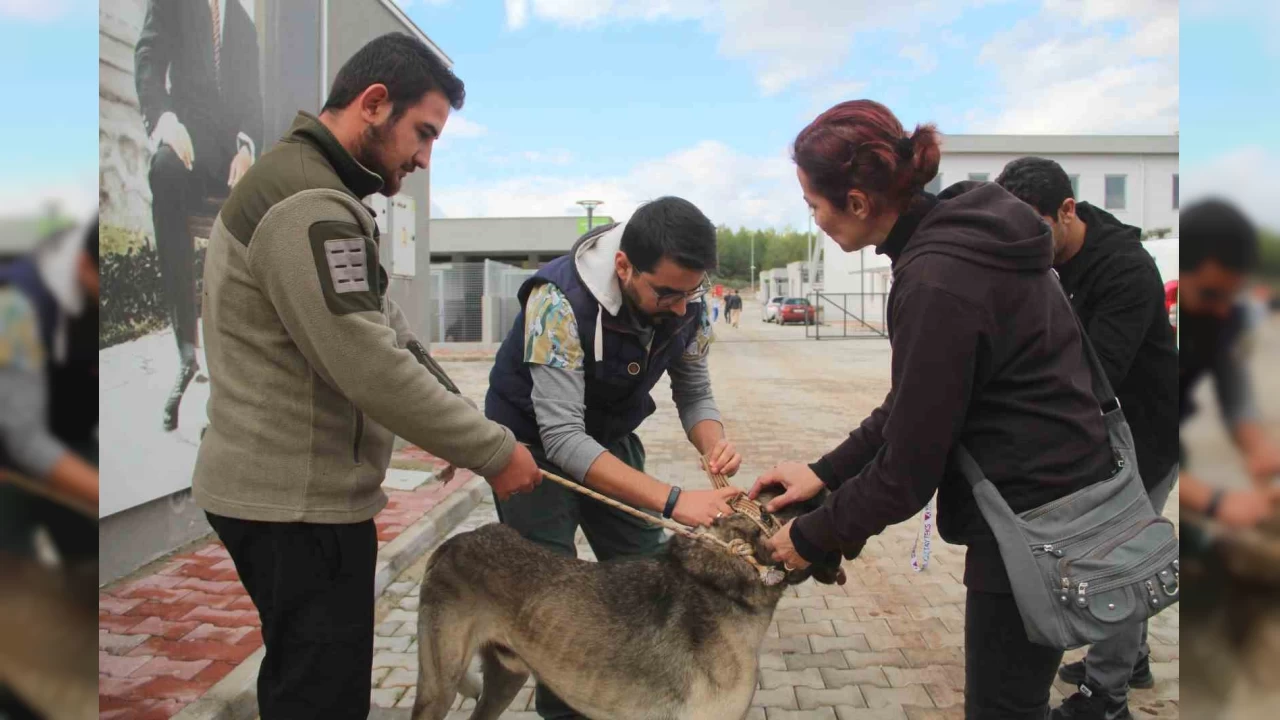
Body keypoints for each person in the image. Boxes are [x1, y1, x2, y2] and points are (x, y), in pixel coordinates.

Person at [190, 33, 541, 719]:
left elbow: (392, 336)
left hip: (292, 498)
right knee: (319, 696)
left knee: (304, 675)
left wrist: (463, 430)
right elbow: (366, 362)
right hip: (296, 505)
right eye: (423, 133)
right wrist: (493, 454)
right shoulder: (310, 205)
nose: (424, 158)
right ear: (374, 103)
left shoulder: (320, 192)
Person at [749, 100, 1118, 720]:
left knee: (1003, 709)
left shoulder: (937, 278)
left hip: (1032, 522)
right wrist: (825, 471)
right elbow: (916, 402)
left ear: (860, 203)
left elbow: (907, 474)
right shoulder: (964, 235)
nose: (814, 220)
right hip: (1057, 497)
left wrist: (809, 538)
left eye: (814, 206)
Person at [485, 195, 744, 720]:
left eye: (690, 292)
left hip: (608, 437)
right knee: (556, 600)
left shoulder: (688, 302)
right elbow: (561, 438)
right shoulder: (557, 301)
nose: (680, 306)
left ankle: (632, 697)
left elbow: (693, 392)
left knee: (646, 578)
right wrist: (673, 502)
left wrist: (711, 443)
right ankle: (565, 710)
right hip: (532, 448)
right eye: (666, 293)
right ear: (623, 266)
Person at [996, 157, 1180, 720]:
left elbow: (1097, 372)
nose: (1024, 244)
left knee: (1118, 563)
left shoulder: (1125, 270)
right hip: (1106, 435)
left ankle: (1107, 698)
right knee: (1117, 560)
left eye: (1034, 229)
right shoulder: (1048, 258)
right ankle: (1135, 659)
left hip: (1147, 435)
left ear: (1067, 211)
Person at [134, 0, 265, 431]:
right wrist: (166, 123)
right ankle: (186, 350)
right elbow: (149, 61)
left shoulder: (244, 25)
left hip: (228, 156)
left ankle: (237, 364)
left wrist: (247, 148)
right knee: (164, 171)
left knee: (262, 207)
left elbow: (252, 101)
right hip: (187, 140)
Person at [1176, 199, 1280, 539]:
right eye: (1210, 294)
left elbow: (1235, 397)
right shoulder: (1156, 317)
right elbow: (1137, 434)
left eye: (1231, 295)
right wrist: (1214, 501)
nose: (1222, 310)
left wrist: (1259, 451)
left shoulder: (1223, 316)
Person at [0, 214, 100, 563]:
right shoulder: (15, 306)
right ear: (85, 266)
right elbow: (25, 442)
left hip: (65, 434)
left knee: (87, 555)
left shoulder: (86, 289)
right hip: (11, 461)